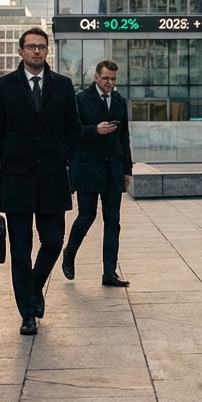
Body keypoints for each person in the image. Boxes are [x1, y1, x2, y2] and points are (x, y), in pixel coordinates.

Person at [0, 27, 80, 336]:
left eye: (41, 47)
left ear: (47, 50)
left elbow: (73, 130)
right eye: (31, 47)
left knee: (53, 241)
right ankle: (27, 313)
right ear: (21, 51)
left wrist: (61, 155)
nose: (36, 51)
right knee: (21, 251)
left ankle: (35, 285)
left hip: (52, 179)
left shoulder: (63, 86)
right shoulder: (2, 87)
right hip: (16, 179)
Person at [62, 58, 133, 288]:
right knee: (87, 216)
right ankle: (69, 255)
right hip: (87, 168)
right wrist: (95, 130)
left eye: (113, 79)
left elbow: (124, 137)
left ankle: (109, 273)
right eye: (105, 79)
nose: (109, 83)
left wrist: (127, 170)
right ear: (96, 77)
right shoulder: (81, 99)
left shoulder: (120, 101)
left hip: (113, 169)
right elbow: (70, 132)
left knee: (113, 222)